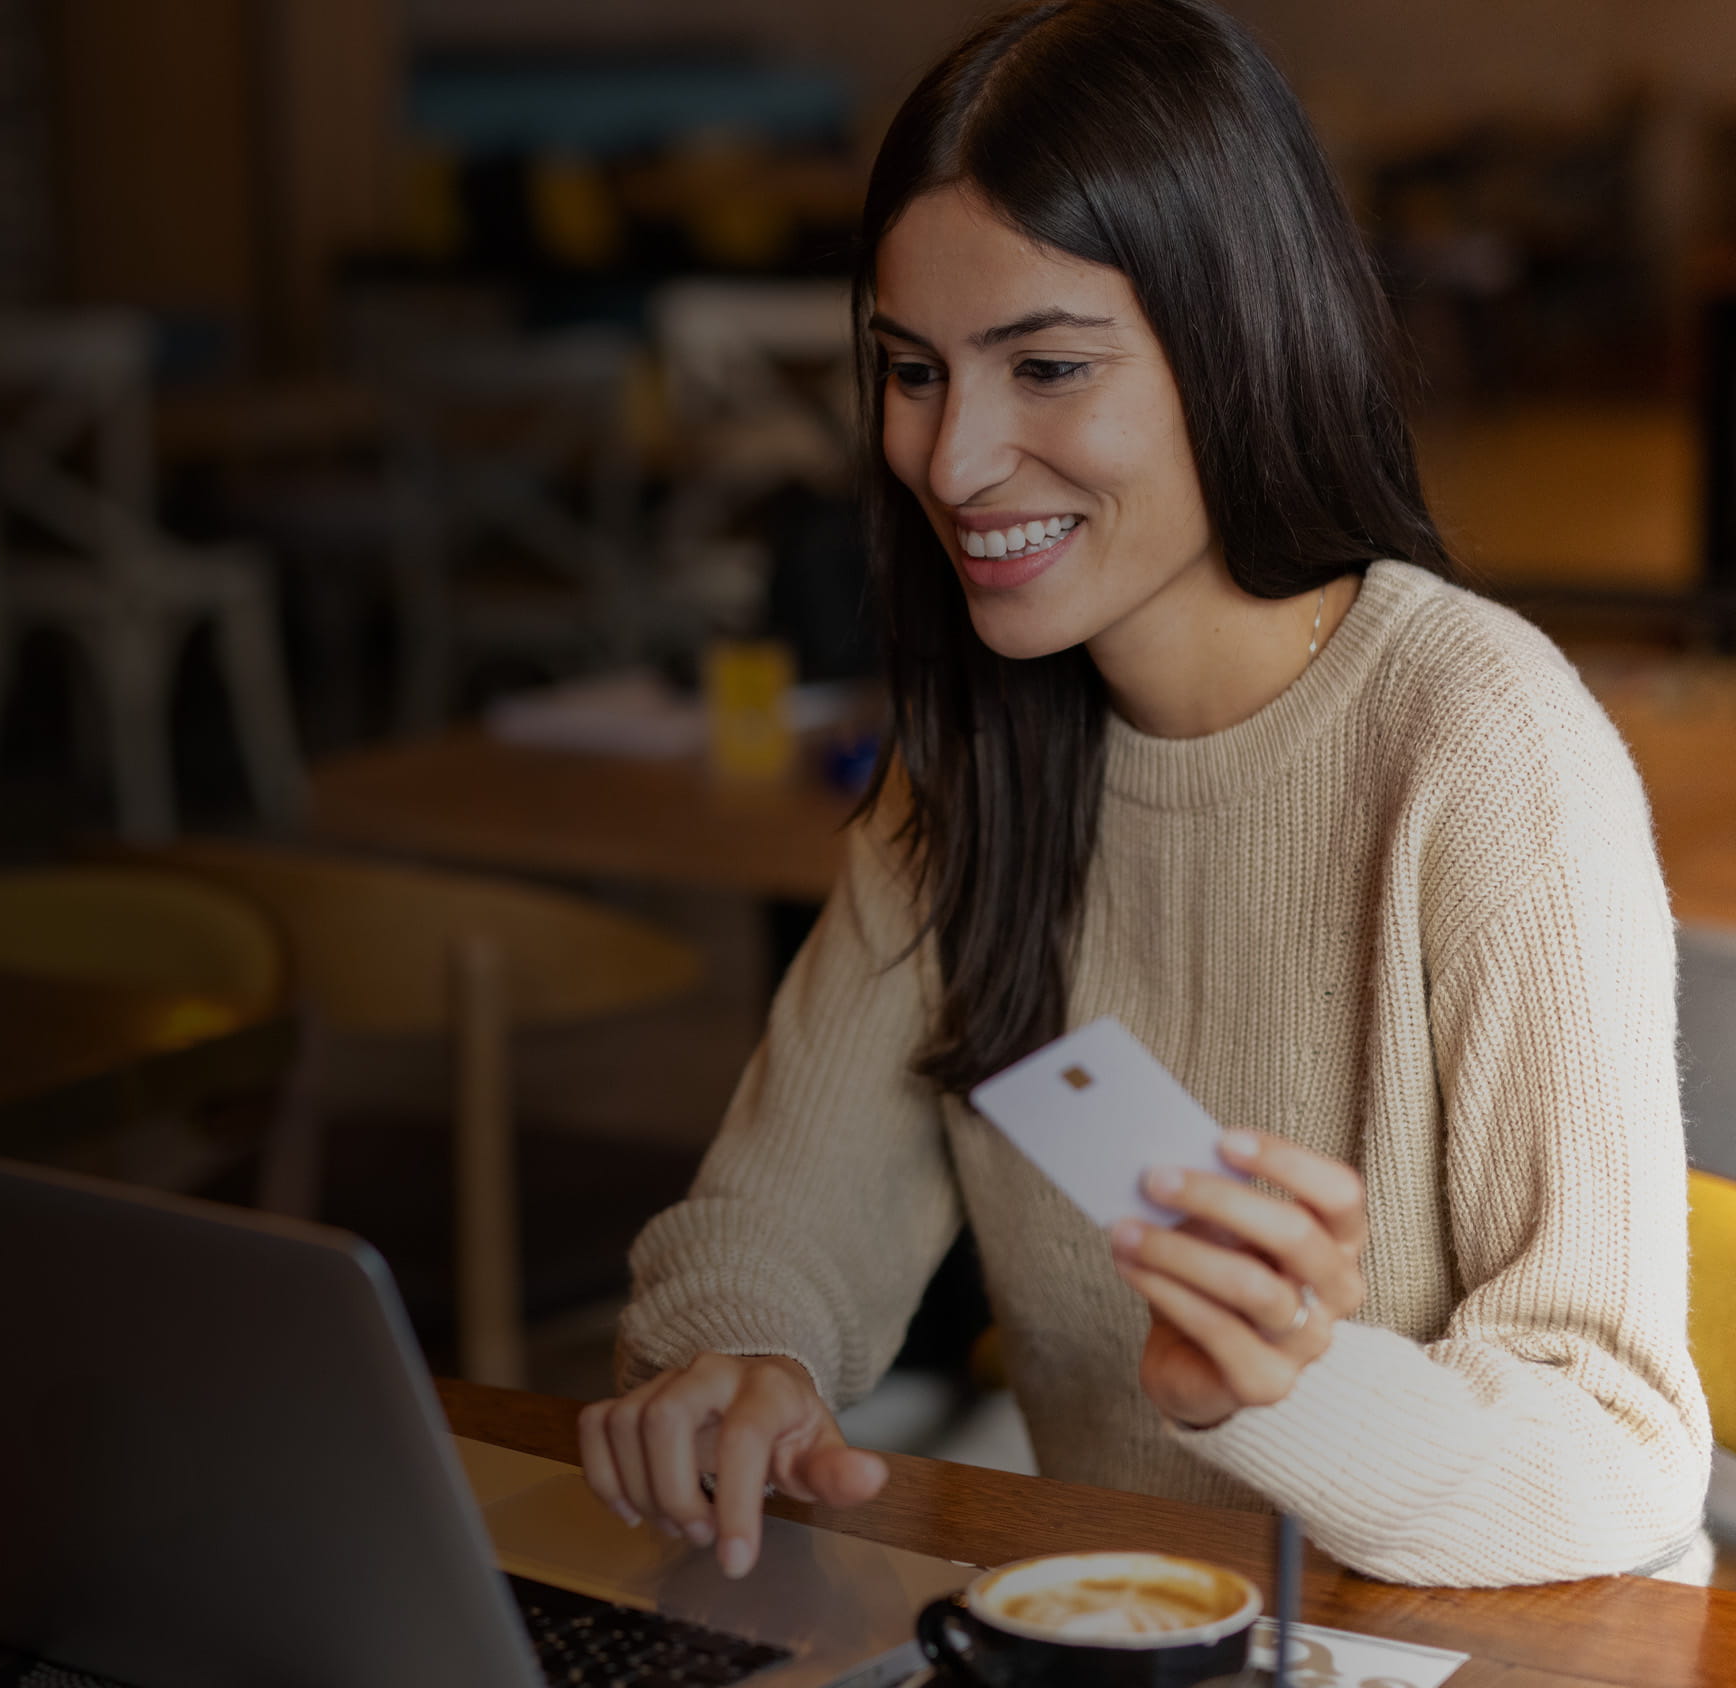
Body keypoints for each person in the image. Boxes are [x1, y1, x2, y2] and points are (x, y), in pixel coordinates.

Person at [581, 0, 1713, 1589]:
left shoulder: (1481, 743)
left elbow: (1618, 1456)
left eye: (1046, 366)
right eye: (911, 369)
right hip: (1123, 1630)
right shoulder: (973, 763)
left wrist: (1292, 1384)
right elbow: (776, 1227)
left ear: (1235, 341)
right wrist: (739, 1362)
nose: (956, 459)